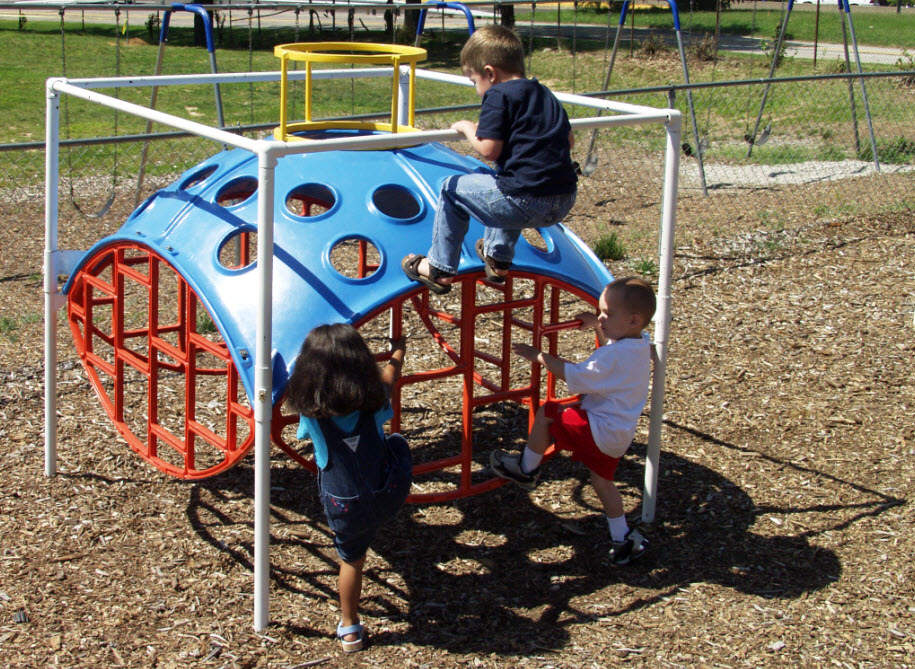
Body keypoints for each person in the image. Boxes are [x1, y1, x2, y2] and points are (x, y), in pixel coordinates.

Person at [489, 277, 656, 566]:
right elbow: (615, 349)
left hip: (597, 429)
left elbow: (576, 376)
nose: (601, 318)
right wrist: (597, 325)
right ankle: (623, 536)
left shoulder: (613, 357)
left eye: (607, 314)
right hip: (618, 436)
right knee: (602, 482)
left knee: (548, 413)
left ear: (633, 320)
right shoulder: (640, 343)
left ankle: (526, 469)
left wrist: (539, 356)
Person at [402, 24, 578, 294]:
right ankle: (497, 259)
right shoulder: (545, 94)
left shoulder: (498, 95)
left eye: (474, 82)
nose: (476, 90)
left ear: (489, 73)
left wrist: (466, 128)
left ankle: (438, 268)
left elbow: (488, 150)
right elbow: (569, 141)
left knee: (451, 188)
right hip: (563, 198)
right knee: (499, 181)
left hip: (524, 199)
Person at [284, 323, 412, 652]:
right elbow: (390, 376)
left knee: (352, 560)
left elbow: (302, 435)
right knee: (396, 442)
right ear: (360, 363)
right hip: (388, 492)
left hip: (344, 506)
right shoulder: (375, 399)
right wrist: (398, 349)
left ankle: (350, 628)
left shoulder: (312, 413)